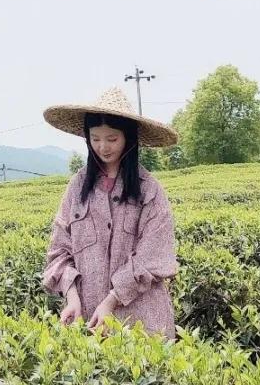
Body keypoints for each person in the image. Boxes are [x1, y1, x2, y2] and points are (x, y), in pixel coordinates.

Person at [41, 87, 179, 339]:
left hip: (142, 324)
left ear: (128, 138)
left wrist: (112, 300)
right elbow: (59, 250)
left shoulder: (149, 190)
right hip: (88, 319)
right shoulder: (77, 186)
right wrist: (72, 296)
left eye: (112, 139)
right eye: (95, 138)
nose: (103, 147)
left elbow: (154, 256)